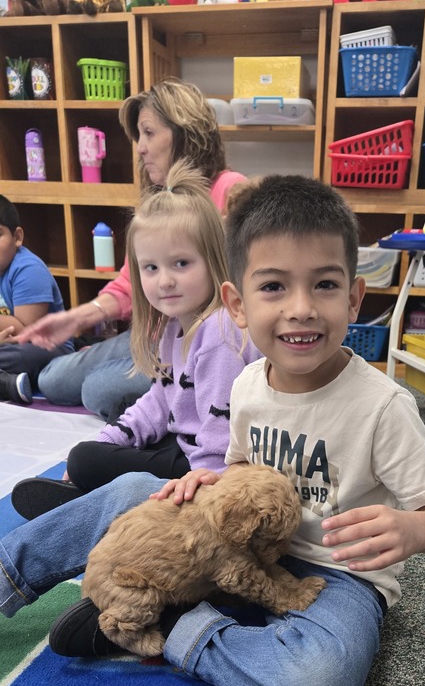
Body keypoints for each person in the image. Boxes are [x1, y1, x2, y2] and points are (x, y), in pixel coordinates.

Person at [0, 175, 425, 686]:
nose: (301, 308)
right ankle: (11, 573)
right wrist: (207, 482)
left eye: (324, 285)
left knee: (320, 684)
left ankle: (176, 627)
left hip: (339, 573)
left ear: (355, 297)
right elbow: (241, 470)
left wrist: (413, 530)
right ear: (237, 304)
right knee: (130, 490)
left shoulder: (384, 406)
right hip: (237, 544)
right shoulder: (247, 383)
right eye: (273, 287)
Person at [12, 161, 261, 515]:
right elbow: (158, 403)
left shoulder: (220, 331)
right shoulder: (173, 327)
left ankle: (101, 497)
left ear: (213, 260)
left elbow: (223, 425)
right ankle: (96, 495)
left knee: (85, 459)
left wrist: (206, 484)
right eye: (152, 268)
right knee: (117, 422)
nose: (165, 281)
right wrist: (110, 439)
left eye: (181, 264)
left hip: (206, 469)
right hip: (186, 446)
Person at [15, 78, 247, 420]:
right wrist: (74, 318)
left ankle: (175, 407)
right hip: (151, 335)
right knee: (54, 380)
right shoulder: (155, 201)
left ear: (185, 132)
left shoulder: (230, 190)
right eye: (138, 135)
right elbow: (129, 284)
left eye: (149, 133)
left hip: (198, 345)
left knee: (97, 390)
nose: (139, 147)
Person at [0, 194, 74, 405]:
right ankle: (6, 384)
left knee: (22, 355)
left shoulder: (27, 269)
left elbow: (26, 329)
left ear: (17, 237)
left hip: (45, 346)